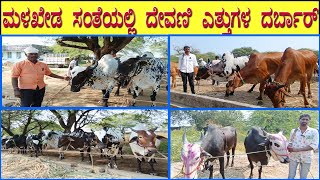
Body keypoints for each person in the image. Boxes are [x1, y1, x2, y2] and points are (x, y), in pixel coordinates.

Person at [287, 114, 319, 179]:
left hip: (306, 158)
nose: (304, 121)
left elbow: (314, 146)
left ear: (309, 121)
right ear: (299, 120)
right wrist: (288, 147)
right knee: (291, 176)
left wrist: (296, 149)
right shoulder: (294, 131)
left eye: (307, 119)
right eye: (303, 119)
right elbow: (290, 142)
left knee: (303, 177)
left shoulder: (314, 132)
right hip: (293, 157)